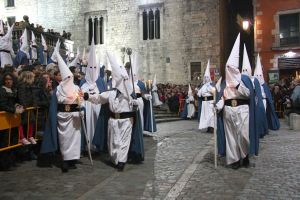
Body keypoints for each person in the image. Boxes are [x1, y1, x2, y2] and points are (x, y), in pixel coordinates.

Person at [84, 52, 144, 171]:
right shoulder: (111, 93)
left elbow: (140, 101)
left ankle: (122, 161)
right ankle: (116, 159)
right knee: (114, 142)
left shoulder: (131, 92)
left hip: (126, 121)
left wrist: (137, 103)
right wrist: (87, 96)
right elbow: (99, 98)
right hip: (113, 120)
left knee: (124, 142)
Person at [40, 42, 83, 172]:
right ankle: (65, 159)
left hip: (75, 117)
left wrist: (81, 107)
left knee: (75, 139)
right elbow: (57, 102)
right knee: (65, 139)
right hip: (63, 117)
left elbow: (81, 99)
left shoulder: (76, 87)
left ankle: (72, 160)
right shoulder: (58, 89)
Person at [216, 34, 253, 169]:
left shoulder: (244, 80)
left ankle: (245, 155)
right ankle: (234, 159)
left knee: (243, 135)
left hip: (242, 109)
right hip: (228, 110)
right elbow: (222, 98)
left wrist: (237, 85)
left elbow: (248, 94)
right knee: (230, 136)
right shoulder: (224, 84)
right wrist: (218, 106)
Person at [254, 54, 280, 131]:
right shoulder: (253, 84)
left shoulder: (264, 84)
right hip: (257, 101)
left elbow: (267, 94)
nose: (258, 76)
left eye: (260, 75)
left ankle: (265, 127)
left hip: (264, 101)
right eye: (257, 75)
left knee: (264, 114)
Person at [197, 60, 214, 132]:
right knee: (205, 116)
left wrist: (210, 89)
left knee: (211, 115)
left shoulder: (211, 85)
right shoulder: (203, 86)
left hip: (210, 102)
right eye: (205, 77)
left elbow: (214, 92)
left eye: (207, 77)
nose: (206, 78)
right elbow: (199, 94)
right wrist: (198, 91)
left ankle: (212, 127)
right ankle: (207, 127)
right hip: (204, 103)